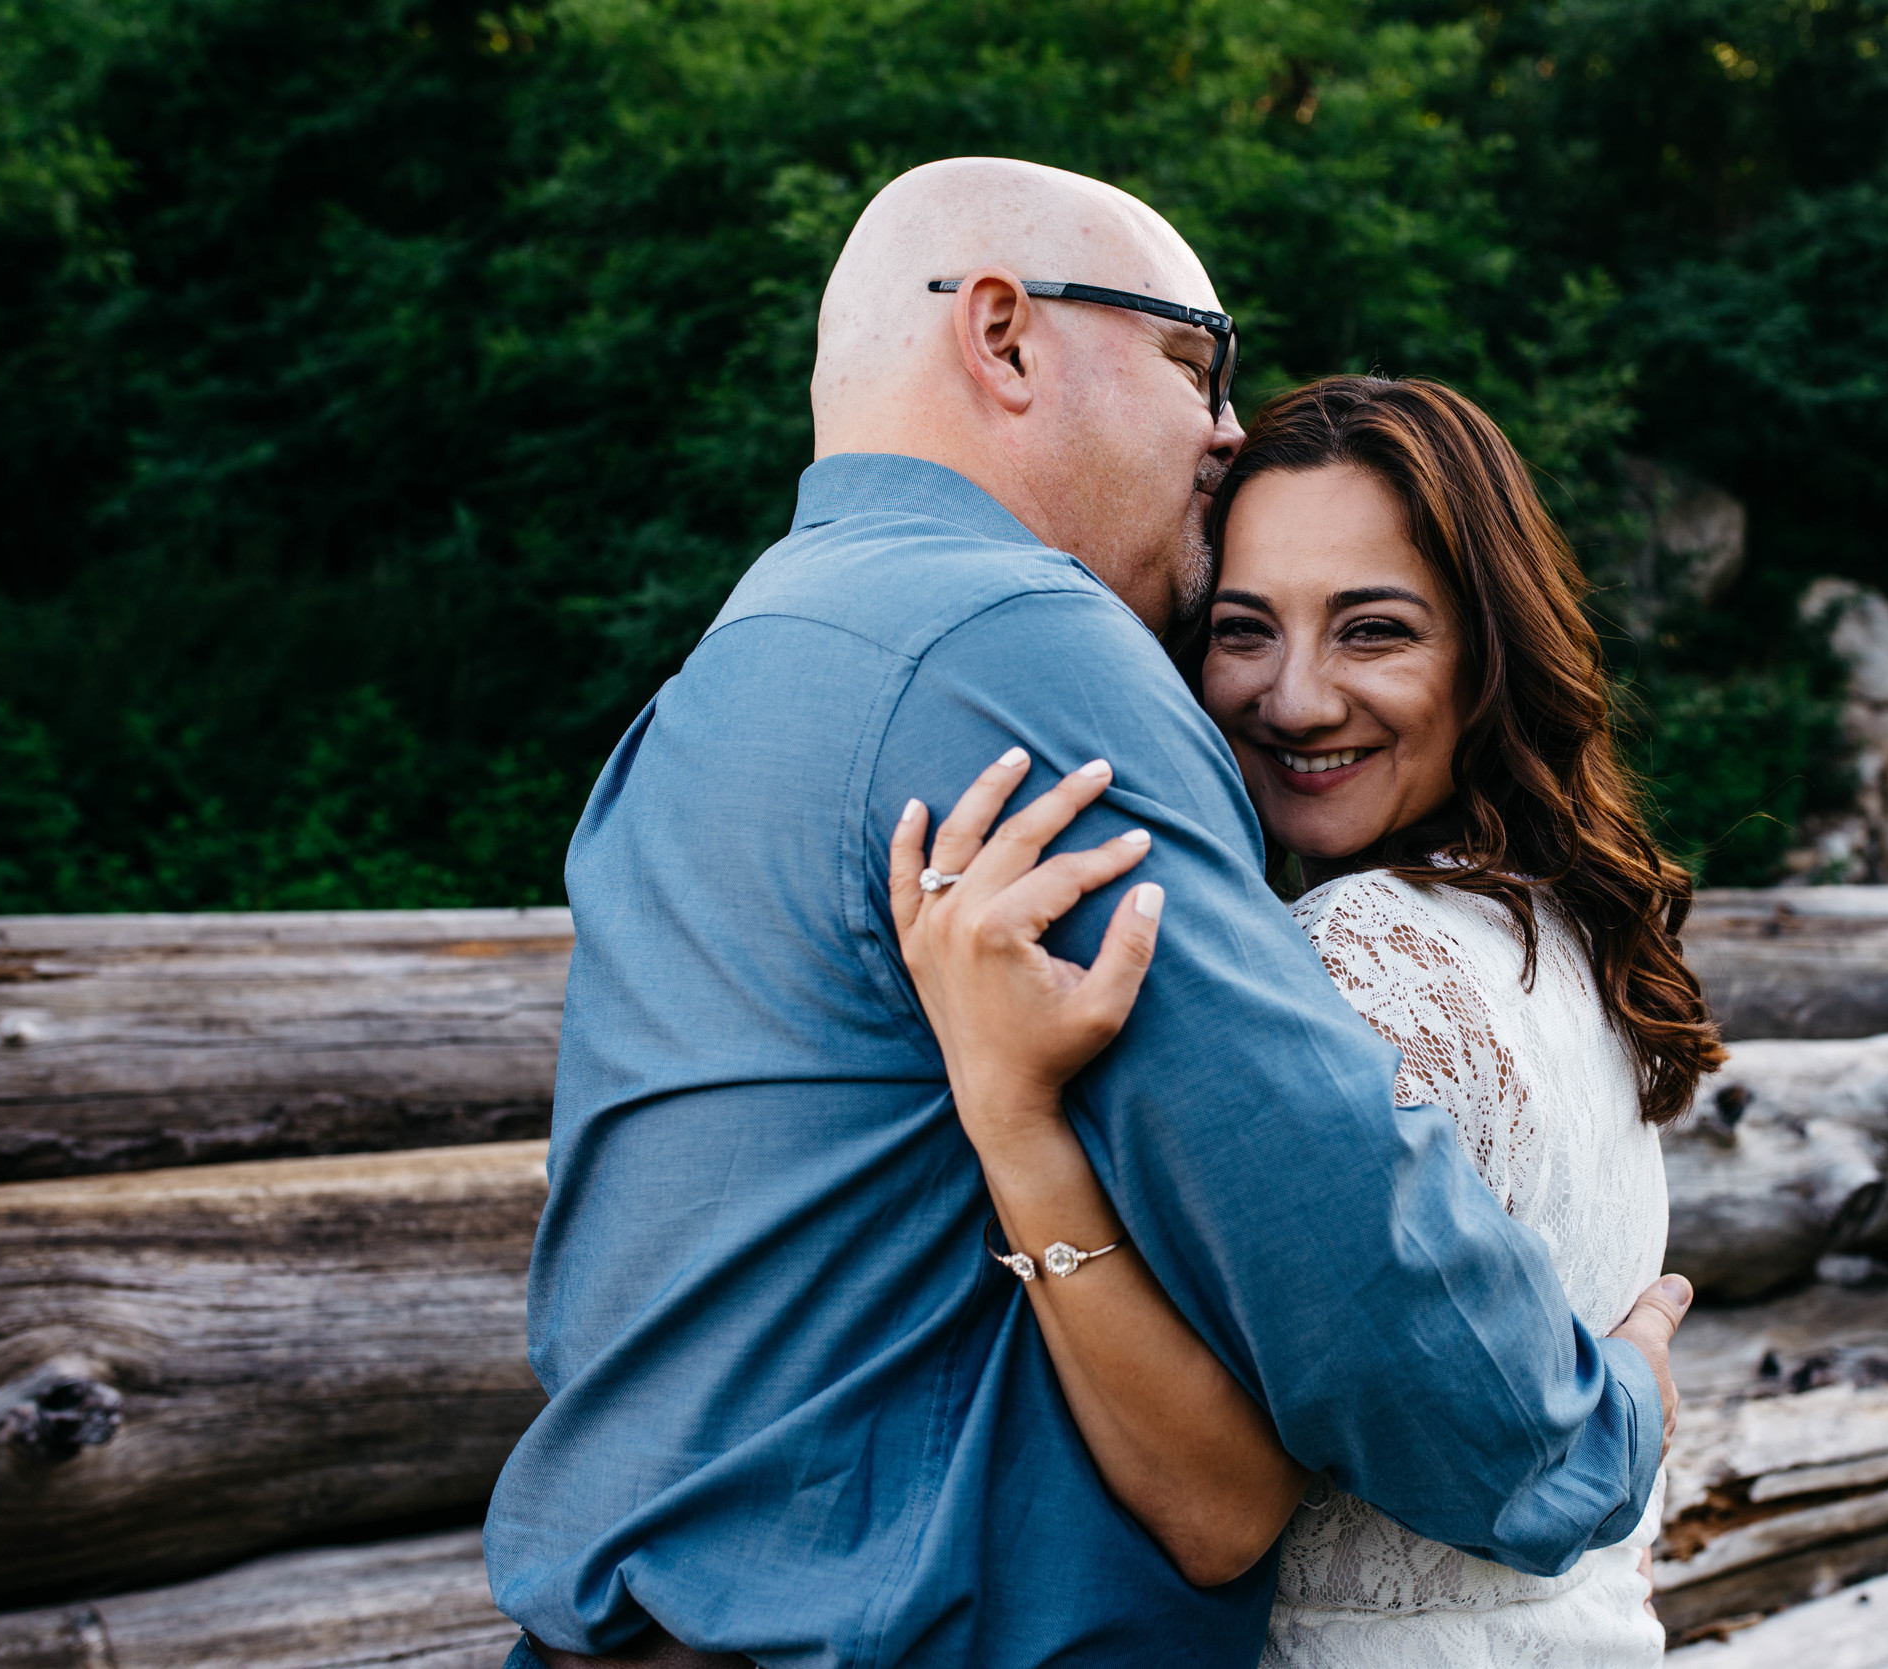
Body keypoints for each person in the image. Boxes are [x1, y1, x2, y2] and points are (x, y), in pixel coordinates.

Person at [483, 156, 1691, 1669]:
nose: (1226, 427)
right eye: (1197, 359)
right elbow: (1345, 1259)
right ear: (1003, 335)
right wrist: (1607, 1416)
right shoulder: (1023, 646)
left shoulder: (718, 675)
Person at [888, 375, 1722, 1666]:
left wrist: (1010, 1108)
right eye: (1242, 630)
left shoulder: (1358, 958)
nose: (1294, 698)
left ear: (1489, 649)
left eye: (1373, 630)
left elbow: (1215, 1512)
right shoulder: (1557, 927)